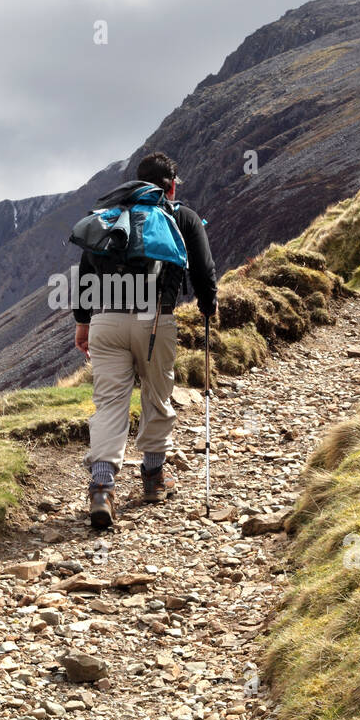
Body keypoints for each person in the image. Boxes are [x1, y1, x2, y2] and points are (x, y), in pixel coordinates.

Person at [71, 152, 217, 529]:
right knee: (156, 393)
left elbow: (86, 270)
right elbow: (202, 266)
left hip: (106, 319)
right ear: (170, 184)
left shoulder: (109, 217)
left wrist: (83, 322)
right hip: (155, 319)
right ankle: (153, 478)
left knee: (109, 404)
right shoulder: (181, 216)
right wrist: (207, 304)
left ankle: (102, 487)